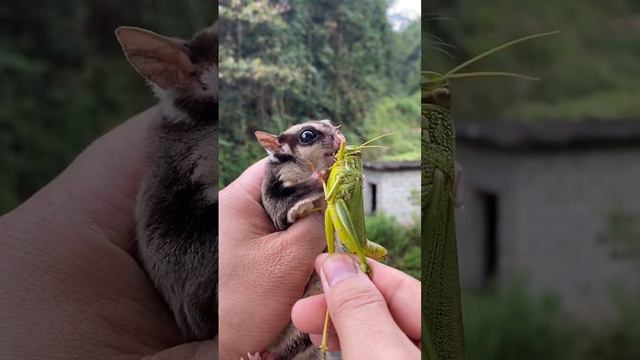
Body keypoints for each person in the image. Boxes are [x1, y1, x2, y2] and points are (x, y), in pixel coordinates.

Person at [0, 109, 420, 360]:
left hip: (303, 295)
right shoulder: (276, 176)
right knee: (309, 317)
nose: (331, 138)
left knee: (314, 318)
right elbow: (284, 206)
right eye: (313, 135)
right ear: (278, 147)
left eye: (330, 130)